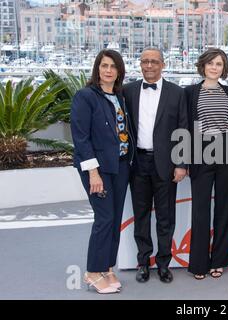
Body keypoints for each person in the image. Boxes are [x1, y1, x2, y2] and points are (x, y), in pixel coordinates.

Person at [123, 47, 188, 284]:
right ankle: (143, 263)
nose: (149, 66)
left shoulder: (176, 93)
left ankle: (163, 264)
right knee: (141, 217)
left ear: (162, 64)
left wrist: (181, 164)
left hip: (166, 164)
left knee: (165, 217)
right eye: (144, 61)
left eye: (153, 61)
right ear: (140, 64)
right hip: (137, 163)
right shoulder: (127, 91)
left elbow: (183, 129)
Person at [71, 49, 133, 294]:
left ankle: (107, 267)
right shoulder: (85, 96)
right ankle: (93, 271)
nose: (108, 70)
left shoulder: (120, 97)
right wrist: (93, 173)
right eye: (104, 65)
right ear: (97, 68)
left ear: (119, 72)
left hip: (120, 165)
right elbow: (81, 138)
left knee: (115, 219)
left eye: (113, 67)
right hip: (98, 169)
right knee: (104, 218)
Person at [184, 48, 228, 280]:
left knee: (225, 208)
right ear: (203, 66)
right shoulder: (189, 93)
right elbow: (185, 126)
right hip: (200, 150)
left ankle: (219, 260)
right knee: (200, 210)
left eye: (219, 64)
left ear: (224, 68)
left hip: (227, 149)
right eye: (211, 63)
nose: (214, 67)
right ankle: (198, 263)